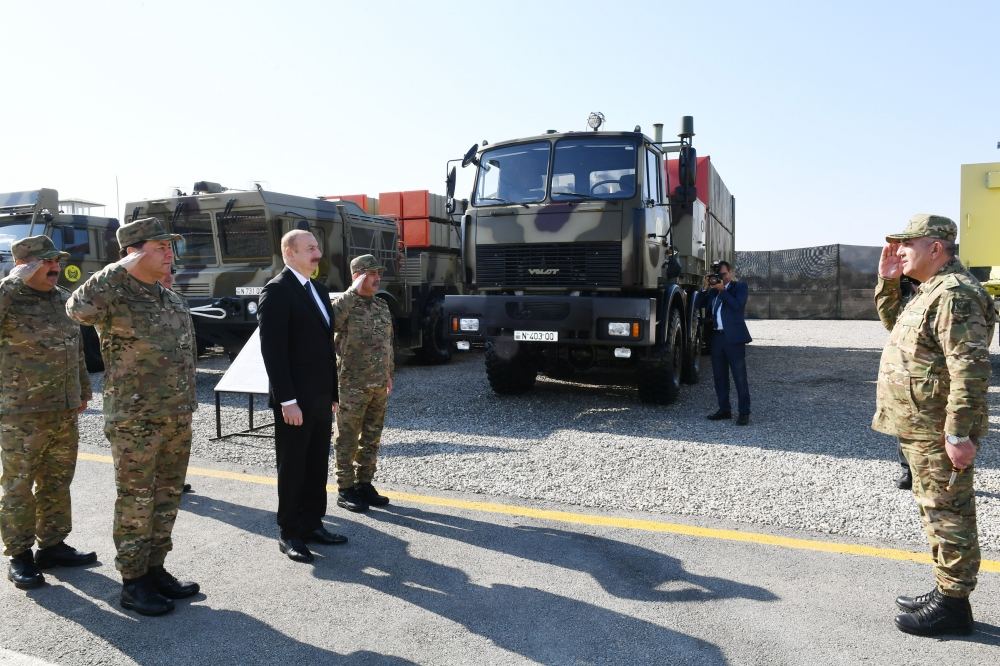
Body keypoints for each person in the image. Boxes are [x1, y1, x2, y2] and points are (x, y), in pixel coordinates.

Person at [66, 217, 200, 616]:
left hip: (177, 414)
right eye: (160, 247)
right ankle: (133, 581)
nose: (169, 254)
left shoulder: (170, 298)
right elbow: (76, 309)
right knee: (137, 500)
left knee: (167, 497)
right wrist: (116, 269)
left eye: (169, 247)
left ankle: (156, 569)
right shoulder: (114, 294)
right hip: (135, 419)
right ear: (134, 252)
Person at [873, 214, 994, 637]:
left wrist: (958, 433)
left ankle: (954, 607)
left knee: (949, 512)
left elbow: (971, 368)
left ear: (936, 249)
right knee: (935, 509)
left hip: (937, 427)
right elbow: (897, 330)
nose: (899, 250)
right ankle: (945, 589)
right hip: (921, 425)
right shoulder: (931, 291)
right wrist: (889, 282)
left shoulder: (956, 294)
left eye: (908, 243)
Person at [0, 236, 96, 589]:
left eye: (56, 260)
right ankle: (19, 554)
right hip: (20, 412)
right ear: (25, 265)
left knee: (57, 481)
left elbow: (77, 350)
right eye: (45, 261)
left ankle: (52, 545)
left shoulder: (61, 299)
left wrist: (83, 390)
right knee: (19, 485)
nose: (55, 266)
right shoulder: (9, 297)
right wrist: (13, 280)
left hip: (63, 408)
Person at [258, 229, 347, 565]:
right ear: (289, 253)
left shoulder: (320, 291)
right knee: (293, 466)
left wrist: (333, 393)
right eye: (310, 248)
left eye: (318, 247)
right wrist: (286, 400)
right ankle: (290, 532)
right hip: (294, 400)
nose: (318, 253)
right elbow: (273, 351)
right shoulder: (278, 291)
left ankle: (312, 523)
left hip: (320, 396)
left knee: (315, 465)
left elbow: (326, 350)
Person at [330, 254, 394, 513]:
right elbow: (329, 323)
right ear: (357, 276)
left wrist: (390, 373)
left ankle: (364, 484)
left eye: (378, 273)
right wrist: (350, 292)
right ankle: (345, 489)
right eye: (371, 274)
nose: (377, 278)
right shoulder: (344, 304)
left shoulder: (381, 305)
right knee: (346, 437)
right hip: (350, 385)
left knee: (371, 437)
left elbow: (388, 344)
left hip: (378, 383)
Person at [698, 260, 752, 425]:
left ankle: (744, 412)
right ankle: (724, 409)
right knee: (720, 377)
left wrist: (723, 291)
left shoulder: (739, 287)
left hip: (734, 339)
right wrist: (706, 287)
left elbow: (737, 305)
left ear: (730, 273)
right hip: (717, 338)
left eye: (723, 274)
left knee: (739, 377)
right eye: (717, 275)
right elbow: (698, 304)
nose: (720, 278)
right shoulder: (713, 292)